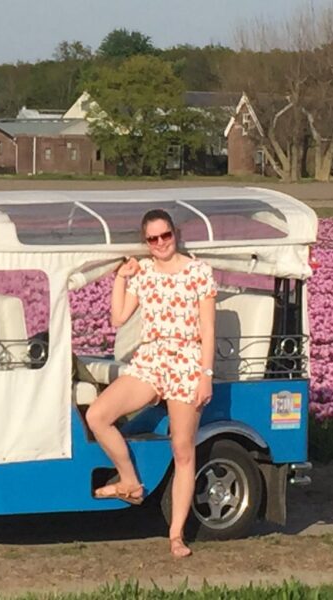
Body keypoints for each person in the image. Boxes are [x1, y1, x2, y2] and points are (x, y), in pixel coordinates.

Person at [84, 210, 216, 558]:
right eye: (153, 239)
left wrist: (205, 376)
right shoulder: (144, 273)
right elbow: (118, 317)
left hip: (186, 360)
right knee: (98, 415)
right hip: (151, 358)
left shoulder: (198, 272)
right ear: (146, 242)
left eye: (165, 236)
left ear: (175, 234)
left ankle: (176, 535)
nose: (160, 244)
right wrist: (121, 278)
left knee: (183, 449)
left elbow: (208, 330)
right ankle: (129, 480)